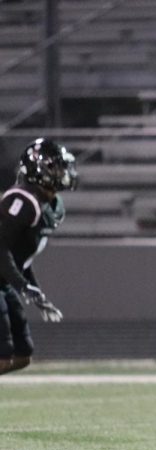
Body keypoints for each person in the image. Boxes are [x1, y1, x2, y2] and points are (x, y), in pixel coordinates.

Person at [0, 138, 77, 376]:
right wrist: (24, 287)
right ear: (38, 169)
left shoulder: (52, 207)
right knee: (3, 356)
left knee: (23, 356)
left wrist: (35, 291)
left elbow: (21, 256)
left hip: (4, 282)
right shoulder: (23, 201)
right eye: (55, 167)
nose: (63, 172)